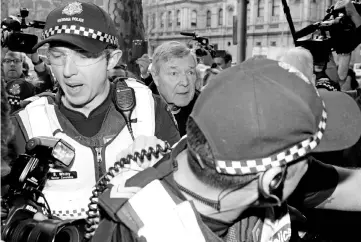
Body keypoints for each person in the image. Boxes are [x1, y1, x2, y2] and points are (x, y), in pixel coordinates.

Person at [92, 57, 361, 242]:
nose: (309, 165)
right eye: (306, 156)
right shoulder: (140, 230)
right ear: (273, 181)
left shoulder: (213, 154)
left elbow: (352, 188)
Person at [7, 1, 180, 221]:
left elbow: (186, 197)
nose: (68, 71)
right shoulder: (26, 123)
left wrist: (159, 169)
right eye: (58, 57)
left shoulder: (149, 109)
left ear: (112, 60)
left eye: (83, 56)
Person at [150, 41, 200, 137]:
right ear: (155, 76)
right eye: (174, 73)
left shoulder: (203, 109)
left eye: (190, 72)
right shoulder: (136, 112)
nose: (185, 82)